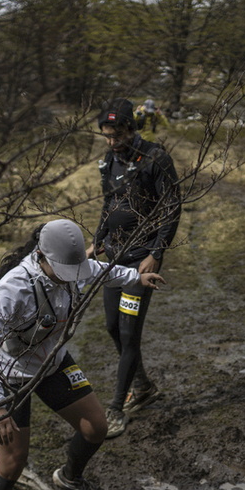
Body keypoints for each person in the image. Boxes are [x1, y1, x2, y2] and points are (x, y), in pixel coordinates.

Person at [0, 218, 166, 490]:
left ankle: (69, 480)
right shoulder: (13, 290)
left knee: (96, 427)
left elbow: (100, 270)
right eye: (64, 270)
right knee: (12, 464)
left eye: (76, 269)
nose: (72, 276)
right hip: (12, 377)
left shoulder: (75, 267)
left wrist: (136, 276)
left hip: (53, 362)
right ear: (41, 255)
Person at [91, 98, 181, 439]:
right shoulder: (110, 161)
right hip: (114, 258)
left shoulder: (156, 158)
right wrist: (98, 239)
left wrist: (157, 252)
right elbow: (108, 203)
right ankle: (142, 385)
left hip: (142, 259)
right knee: (113, 327)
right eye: (107, 137)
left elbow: (172, 207)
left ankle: (115, 408)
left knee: (129, 333)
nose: (112, 142)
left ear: (131, 128)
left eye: (117, 136)